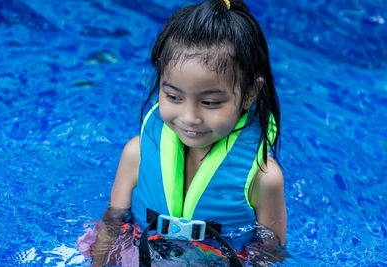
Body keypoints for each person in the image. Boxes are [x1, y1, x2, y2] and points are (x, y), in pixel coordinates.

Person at [77, 0, 287, 266]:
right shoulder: (137, 153)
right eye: (173, 97)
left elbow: (270, 252)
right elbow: (113, 223)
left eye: (210, 102)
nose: (190, 118)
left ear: (250, 94)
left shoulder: (264, 178)